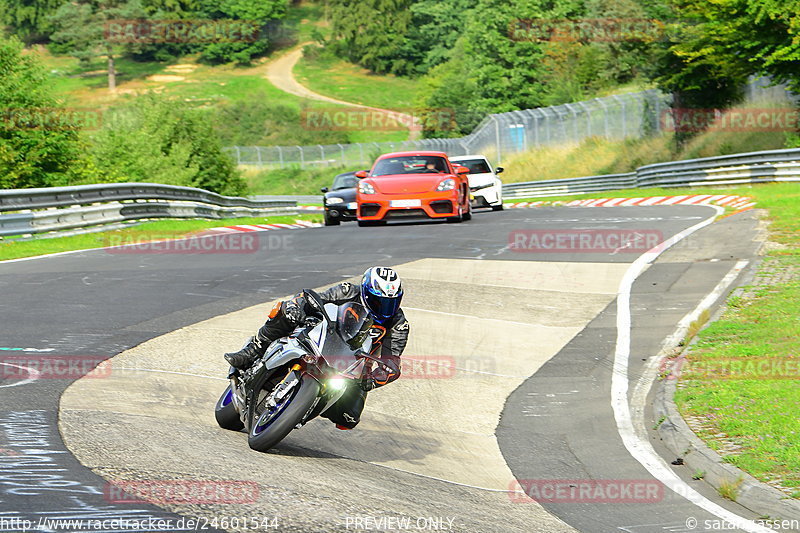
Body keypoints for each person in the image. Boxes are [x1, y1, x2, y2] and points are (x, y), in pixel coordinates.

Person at [224, 267, 409, 430]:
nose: (386, 308)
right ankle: (253, 350)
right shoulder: (348, 291)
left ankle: (302, 408)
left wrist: (375, 379)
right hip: (326, 335)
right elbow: (315, 299)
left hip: (354, 364)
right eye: (380, 301)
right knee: (286, 311)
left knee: (348, 419)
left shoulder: (399, 324)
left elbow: (391, 361)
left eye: (391, 302)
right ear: (366, 292)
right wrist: (299, 306)